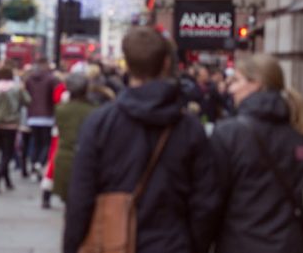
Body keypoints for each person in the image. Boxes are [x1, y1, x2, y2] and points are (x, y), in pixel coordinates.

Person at [63, 27, 218, 253]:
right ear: (166, 63)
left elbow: (80, 197)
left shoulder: (100, 123)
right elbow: (206, 201)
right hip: (172, 244)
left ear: (127, 63)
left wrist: (72, 245)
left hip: (113, 243)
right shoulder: (189, 128)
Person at [210, 54, 303, 253]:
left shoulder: (228, 134)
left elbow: (212, 200)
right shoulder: (298, 137)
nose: (230, 88)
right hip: (289, 244)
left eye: (236, 80)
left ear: (256, 84)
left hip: (239, 244)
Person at [44, 73, 95, 207]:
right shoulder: (92, 110)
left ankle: (47, 195)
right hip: (86, 159)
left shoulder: (61, 109)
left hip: (64, 157)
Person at [0, 66, 31, 194]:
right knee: (8, 154)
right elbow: (28, 101)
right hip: (11, 124)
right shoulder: (16, 88)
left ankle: (7, 181)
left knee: (2, 153)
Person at [24, 57, 60, 178]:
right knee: (46, 143)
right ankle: (40, 163)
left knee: (36, 142)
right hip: (47, 116)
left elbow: (26, 96)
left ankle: (34, 165)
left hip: (32, 115)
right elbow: (56, 96)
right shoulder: (51, 79)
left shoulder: (29, 79)